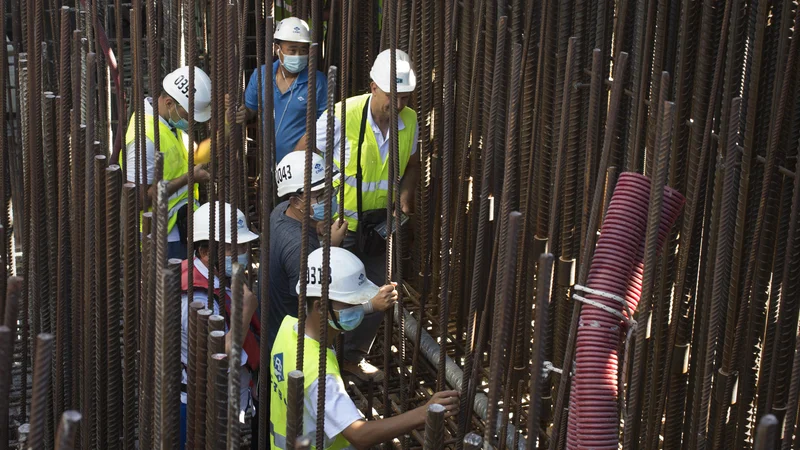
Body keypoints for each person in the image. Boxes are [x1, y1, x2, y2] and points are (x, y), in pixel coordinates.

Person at [270, 247, 459, 449]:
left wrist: (371, 305)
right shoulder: (319, 375)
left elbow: (337, 315)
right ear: (319, 306)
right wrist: (424, 413)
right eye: (352, 302)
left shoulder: (288, 329)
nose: (359, 306)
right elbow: (359, 435)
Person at [314, 48, 420, 374]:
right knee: (332, 296)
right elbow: (308, 159)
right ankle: (324, 359)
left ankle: (351, 357)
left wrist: (405, 194)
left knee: (378, 294)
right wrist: (320, 217)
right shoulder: (341, 116)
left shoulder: (410, 120)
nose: (399, 105)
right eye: (393, 96)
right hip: (340, 226)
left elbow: (413, 163)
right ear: (373, 86)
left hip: (380, 227)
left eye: (404, 97)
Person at [268, 152, 397, 382]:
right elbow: (316, 313)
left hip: (275, 326)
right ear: (296, 201)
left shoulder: (280, 212)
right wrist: (371, 305)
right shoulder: (300, 248)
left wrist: (317, 229)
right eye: (319, 195)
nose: (329, 198)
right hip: (294, 343)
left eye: (329, 190)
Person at [179, 201, 261, 449]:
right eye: (231, 248)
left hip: (225, 394)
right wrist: (245, 311)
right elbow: (218, 354)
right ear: (205, 252)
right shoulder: (197, 299)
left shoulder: (211, 275)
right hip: (203, 401)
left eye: (244, 245)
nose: (243, 252)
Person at [124, 66, 212, 260]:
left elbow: (198, 154)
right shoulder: (145, 138)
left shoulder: (169, 125)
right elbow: (136, 200)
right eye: (189, 115)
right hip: (158, 238)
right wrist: (190, 178)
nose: (192, 122)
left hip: (177, 231)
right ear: (169, 102)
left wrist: (227, 126)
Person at [237, 17, 328, 162]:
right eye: (292, 51)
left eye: (303, 50)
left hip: (303, 164)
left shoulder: (317, 82)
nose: (298, 56)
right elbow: (250, 109)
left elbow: (326, 124)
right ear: (277, 49)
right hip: (269, 163)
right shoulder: (261, 75)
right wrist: (241, 113)